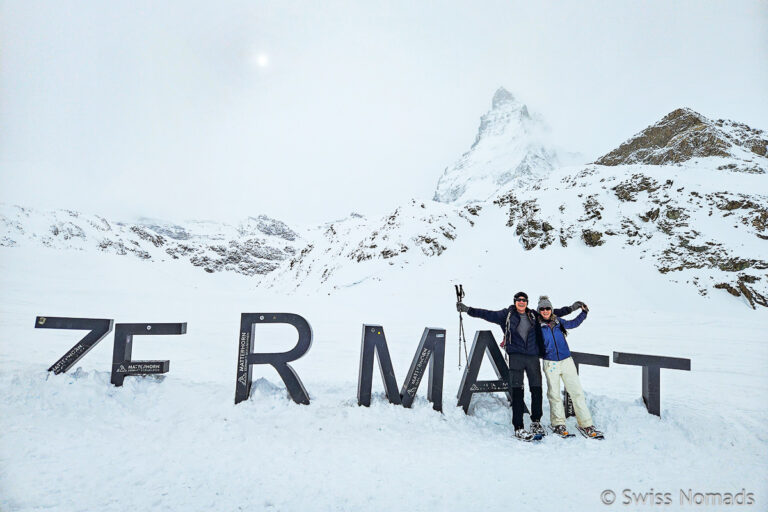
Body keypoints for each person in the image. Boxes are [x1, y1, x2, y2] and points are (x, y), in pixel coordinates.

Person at [456, 292, 581, 441]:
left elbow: (553, 312)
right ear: (515, 301)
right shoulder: (506, 315)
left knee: (536, 389)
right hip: (516, 357)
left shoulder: (534, 315)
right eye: (519, 300)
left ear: (527, 302)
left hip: (533, 357)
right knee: (517, 390)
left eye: (524, 300)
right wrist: (468, 310)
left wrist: (572, 309)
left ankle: (536, 422)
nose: (521, 302)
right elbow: (487, 314)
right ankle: (518, 427)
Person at [536, 295, 604, 439]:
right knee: (554, 395)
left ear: (551, 309)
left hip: (567, 361)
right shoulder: (536, 326)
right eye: (542, 309)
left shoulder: (558, 321)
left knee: (577, 392)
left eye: (548, 308)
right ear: (539, 310)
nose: (545, 311)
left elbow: (573, 323)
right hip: (550, 363)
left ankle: (586, 424)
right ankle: (558, 424)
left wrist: (583, 313)